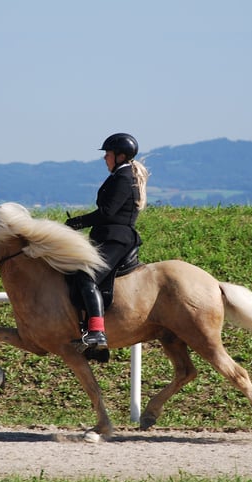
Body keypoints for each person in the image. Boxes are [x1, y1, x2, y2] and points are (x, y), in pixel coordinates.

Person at [65, 132, 149, 355]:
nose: (105, 158)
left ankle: (97, 332)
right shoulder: (123, 174)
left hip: (116, 238)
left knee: (86, 276)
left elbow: (107, 212)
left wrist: (78, 222)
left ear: (120, 156)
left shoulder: (122, 178)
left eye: (108, 154)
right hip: (110, 236)